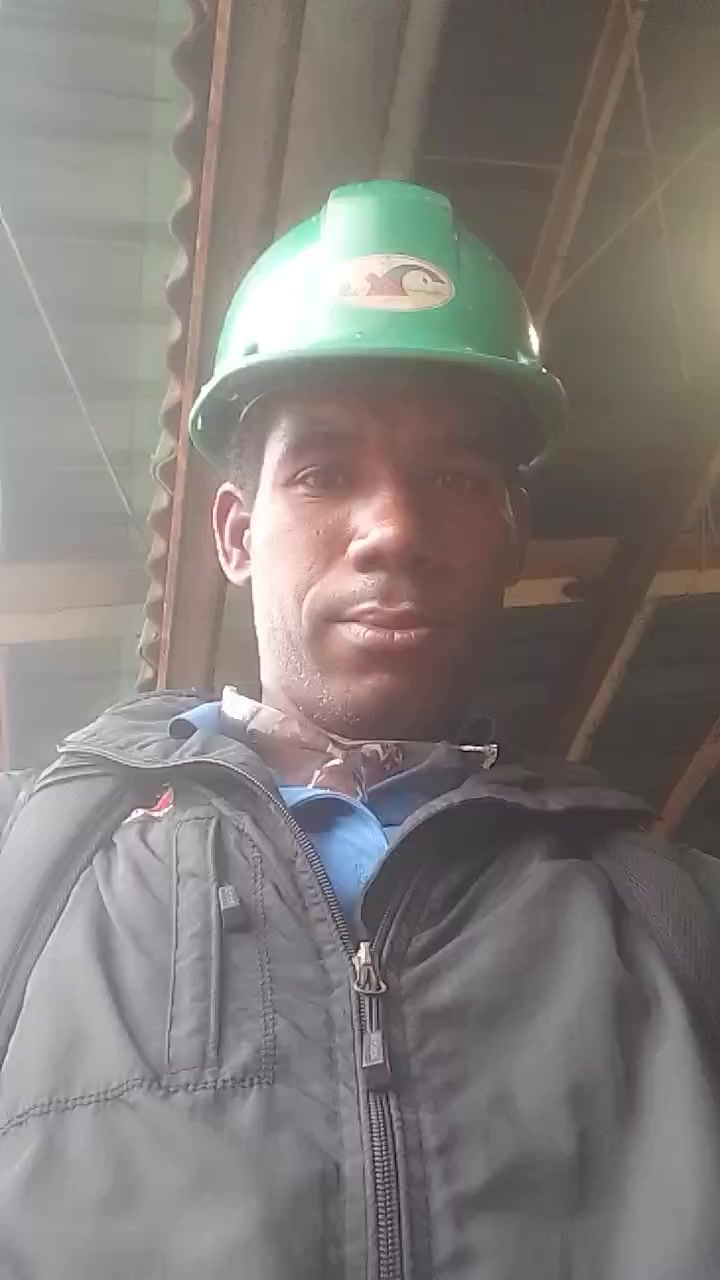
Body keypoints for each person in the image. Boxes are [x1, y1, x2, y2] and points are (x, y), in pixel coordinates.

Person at [2, 180, 720, 1280]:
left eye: (456, 477)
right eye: (323, 473)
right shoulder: (28, 869)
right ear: (236, 533)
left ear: (511, 534)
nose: (393, 528)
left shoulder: (677, 921)